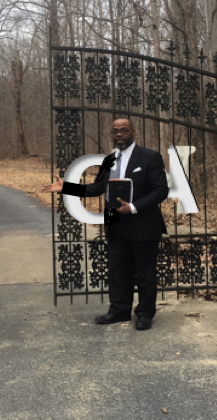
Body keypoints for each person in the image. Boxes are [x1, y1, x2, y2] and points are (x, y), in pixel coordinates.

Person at [42, 118, 169, 330]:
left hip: (143, 224)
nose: (119, 134)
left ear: (133, 132)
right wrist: (68, 188)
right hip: (115, 223)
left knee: (145, 274)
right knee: (118, 271)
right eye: (115, 131)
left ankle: (145, 314)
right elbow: (98, 187)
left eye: (124, 130)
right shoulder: (109, 160)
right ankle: (119, 311)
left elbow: (161, 190)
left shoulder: (149, 157)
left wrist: (134, 207)